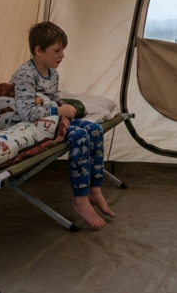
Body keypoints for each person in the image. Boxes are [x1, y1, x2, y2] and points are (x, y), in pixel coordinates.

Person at [10, 21, 115, 228]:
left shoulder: (53, 73)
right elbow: (25, 113)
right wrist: (58, 110)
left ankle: (94, 190)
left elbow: (51, 98)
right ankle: (80, 199)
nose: (62, 55)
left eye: (62, 50)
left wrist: (62, 106)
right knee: (79, 136)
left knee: (94, 130)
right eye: (57, 50)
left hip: (51, 118)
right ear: (38, 50)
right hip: (32, 123)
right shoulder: (25, 75)